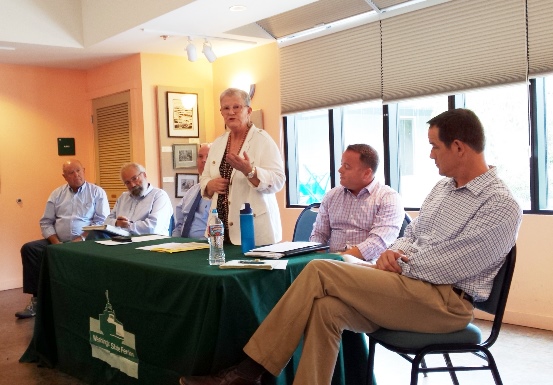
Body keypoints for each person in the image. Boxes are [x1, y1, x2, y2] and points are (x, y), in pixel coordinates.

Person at [178, 108, 523, 385]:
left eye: (435, 146)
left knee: (320, 268)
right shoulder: (443, 190)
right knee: (327, 309)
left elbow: (454, 264)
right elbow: (412, 235)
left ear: (459, 147)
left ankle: (248, 371)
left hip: (445, 303)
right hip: (411, 285)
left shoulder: (500, 203)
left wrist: (399, 261)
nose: (430, 155)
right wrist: (395, 253)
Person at [16, 159, 109, 319]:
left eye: (78, 170)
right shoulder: (56, 194)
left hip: (86, 241)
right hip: (58, 241)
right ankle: (37, 300)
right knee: (30, 249)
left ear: (84, 170)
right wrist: (56, 243)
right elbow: (46, 222)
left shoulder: (97, 192)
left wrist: (80, 239)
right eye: (71, 172)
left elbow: (100, 222)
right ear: (64, 176)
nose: (76, 175)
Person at [200, 88, 285, 245]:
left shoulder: (263, 140)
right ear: (221, 113)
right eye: (226, 108)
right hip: (219, 228)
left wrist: (250, 171)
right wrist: (210, 185)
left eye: (236, 107)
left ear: (248, 110)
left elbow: (279, 180)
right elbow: (205, 177)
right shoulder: (218, 143)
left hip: (253, 228)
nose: (231, 112)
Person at [310, 144, 404, 261]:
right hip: (331, 264)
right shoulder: (332, 196)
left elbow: (377, 243)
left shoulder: (388, 198)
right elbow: (319, 234)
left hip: (368, 266)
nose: (340, 170)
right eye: (341, 164)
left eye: (347, 167)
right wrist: (319, 258)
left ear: (367, 173)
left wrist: (339, 259)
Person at [104, 162, 173, 235]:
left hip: (151, 242)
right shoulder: (123, 197)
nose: (132, 185)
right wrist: (116, 223)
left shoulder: (159, 196)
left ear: (144, 175)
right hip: (122, 241)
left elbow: (153, 228)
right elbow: (107, 221)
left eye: (134, 178)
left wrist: (128, 226)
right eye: (127, 182)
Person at [173, 143, 212, 238]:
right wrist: (174, 242)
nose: (204, 160)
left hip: (206, 246)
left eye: (208, 156)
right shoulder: (192, 191)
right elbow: (179, 224)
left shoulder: (224, 192)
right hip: (183, 246)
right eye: (200, 156)